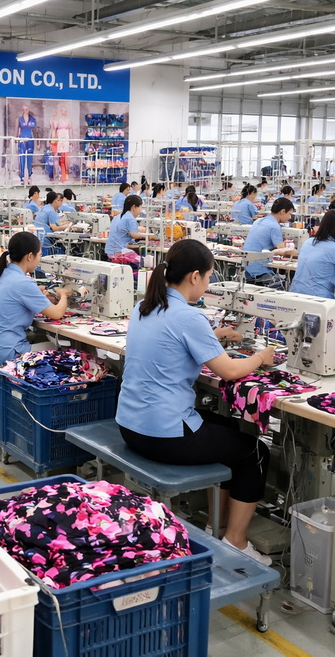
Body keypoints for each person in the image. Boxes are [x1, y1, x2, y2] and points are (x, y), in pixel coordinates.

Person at [116, 239, 273, 565]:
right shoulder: (189, 317)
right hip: (163, 437)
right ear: (194, 276)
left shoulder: (143, 307)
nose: (208, 283)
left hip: (130, 427)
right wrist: (262, 356)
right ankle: (236, 541)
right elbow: (230, 371)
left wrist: (216, 335)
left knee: (231, 429)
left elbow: (172, 339)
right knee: (255, 451)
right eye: (209, 277)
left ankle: (215, 525)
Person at [0, 231, 71, 369]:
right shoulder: (24, 283)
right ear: (30, 256)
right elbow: (57, 313)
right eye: (40, 255)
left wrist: (36, 293)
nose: (40, 259)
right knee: (63, 350)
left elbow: (14, 295)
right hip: (5, 354)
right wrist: (63, 294)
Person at [244, 198, 298, 290]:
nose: (290, 217)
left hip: (247, 269)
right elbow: (282, 250)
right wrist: (298, 252)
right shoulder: (274, 226)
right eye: (289, 214)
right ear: (282, 211)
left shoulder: (258, 221)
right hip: (260, 270)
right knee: (283, 288)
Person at [106, 195, 147, 270]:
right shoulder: (130, 218)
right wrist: (148, 236)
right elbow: (134, 235)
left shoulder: (118, 216)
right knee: (144, 262)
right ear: (134, 207)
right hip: (119, 253)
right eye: (141, 207)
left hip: (110, 251)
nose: (141, 210)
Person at [34, 191, 70, 255]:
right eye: (60, 201)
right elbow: (54, 228)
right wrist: (67, 226)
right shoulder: (51, 211)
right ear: (56, 200)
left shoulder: (45, 208)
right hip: (45, 238)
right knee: (61, 248)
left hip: (38, 235)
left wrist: (64, 223)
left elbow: (56, 222)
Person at [50, 105, 72, 183]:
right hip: (60, 139)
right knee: (61, 157)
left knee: (66, 157)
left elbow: (70, 131)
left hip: (66, 139)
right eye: (63, 111)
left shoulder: (68, 120)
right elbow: (54, 129)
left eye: (65, 111)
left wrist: (71, 140)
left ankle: (66, 172)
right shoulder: (58, 121)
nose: (64, 112)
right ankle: (62, 174)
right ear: (61, 112)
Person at [16, 105, 36, 185]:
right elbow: (16, 130)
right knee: (22, 158)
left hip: (30, 139)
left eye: (27, 109)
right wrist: (15, 139)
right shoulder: (19, 119)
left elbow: (35, 131)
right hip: (22, 139)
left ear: (29, 110)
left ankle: (29, 175)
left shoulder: (32, 119)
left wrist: (37, 141)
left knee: (29, 158)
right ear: (22, 110)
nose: (26, 110)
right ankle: (22, 176)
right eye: (24, 109)